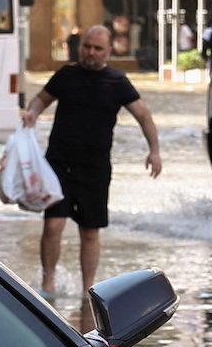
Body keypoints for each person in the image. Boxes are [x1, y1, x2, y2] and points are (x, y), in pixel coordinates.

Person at [20, 24, 162, 302]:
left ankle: (88, 290)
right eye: (87, 46)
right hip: (58, 164)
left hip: (95, 168)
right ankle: (48, 283)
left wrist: (154, 150)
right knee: (52, 226)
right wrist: (31, 115)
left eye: (98, 48)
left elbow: (144, 116)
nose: (91, 53)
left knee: (90, 232)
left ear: (109, 51)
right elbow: (40, 101)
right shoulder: (66, 75)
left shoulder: (118, 82)